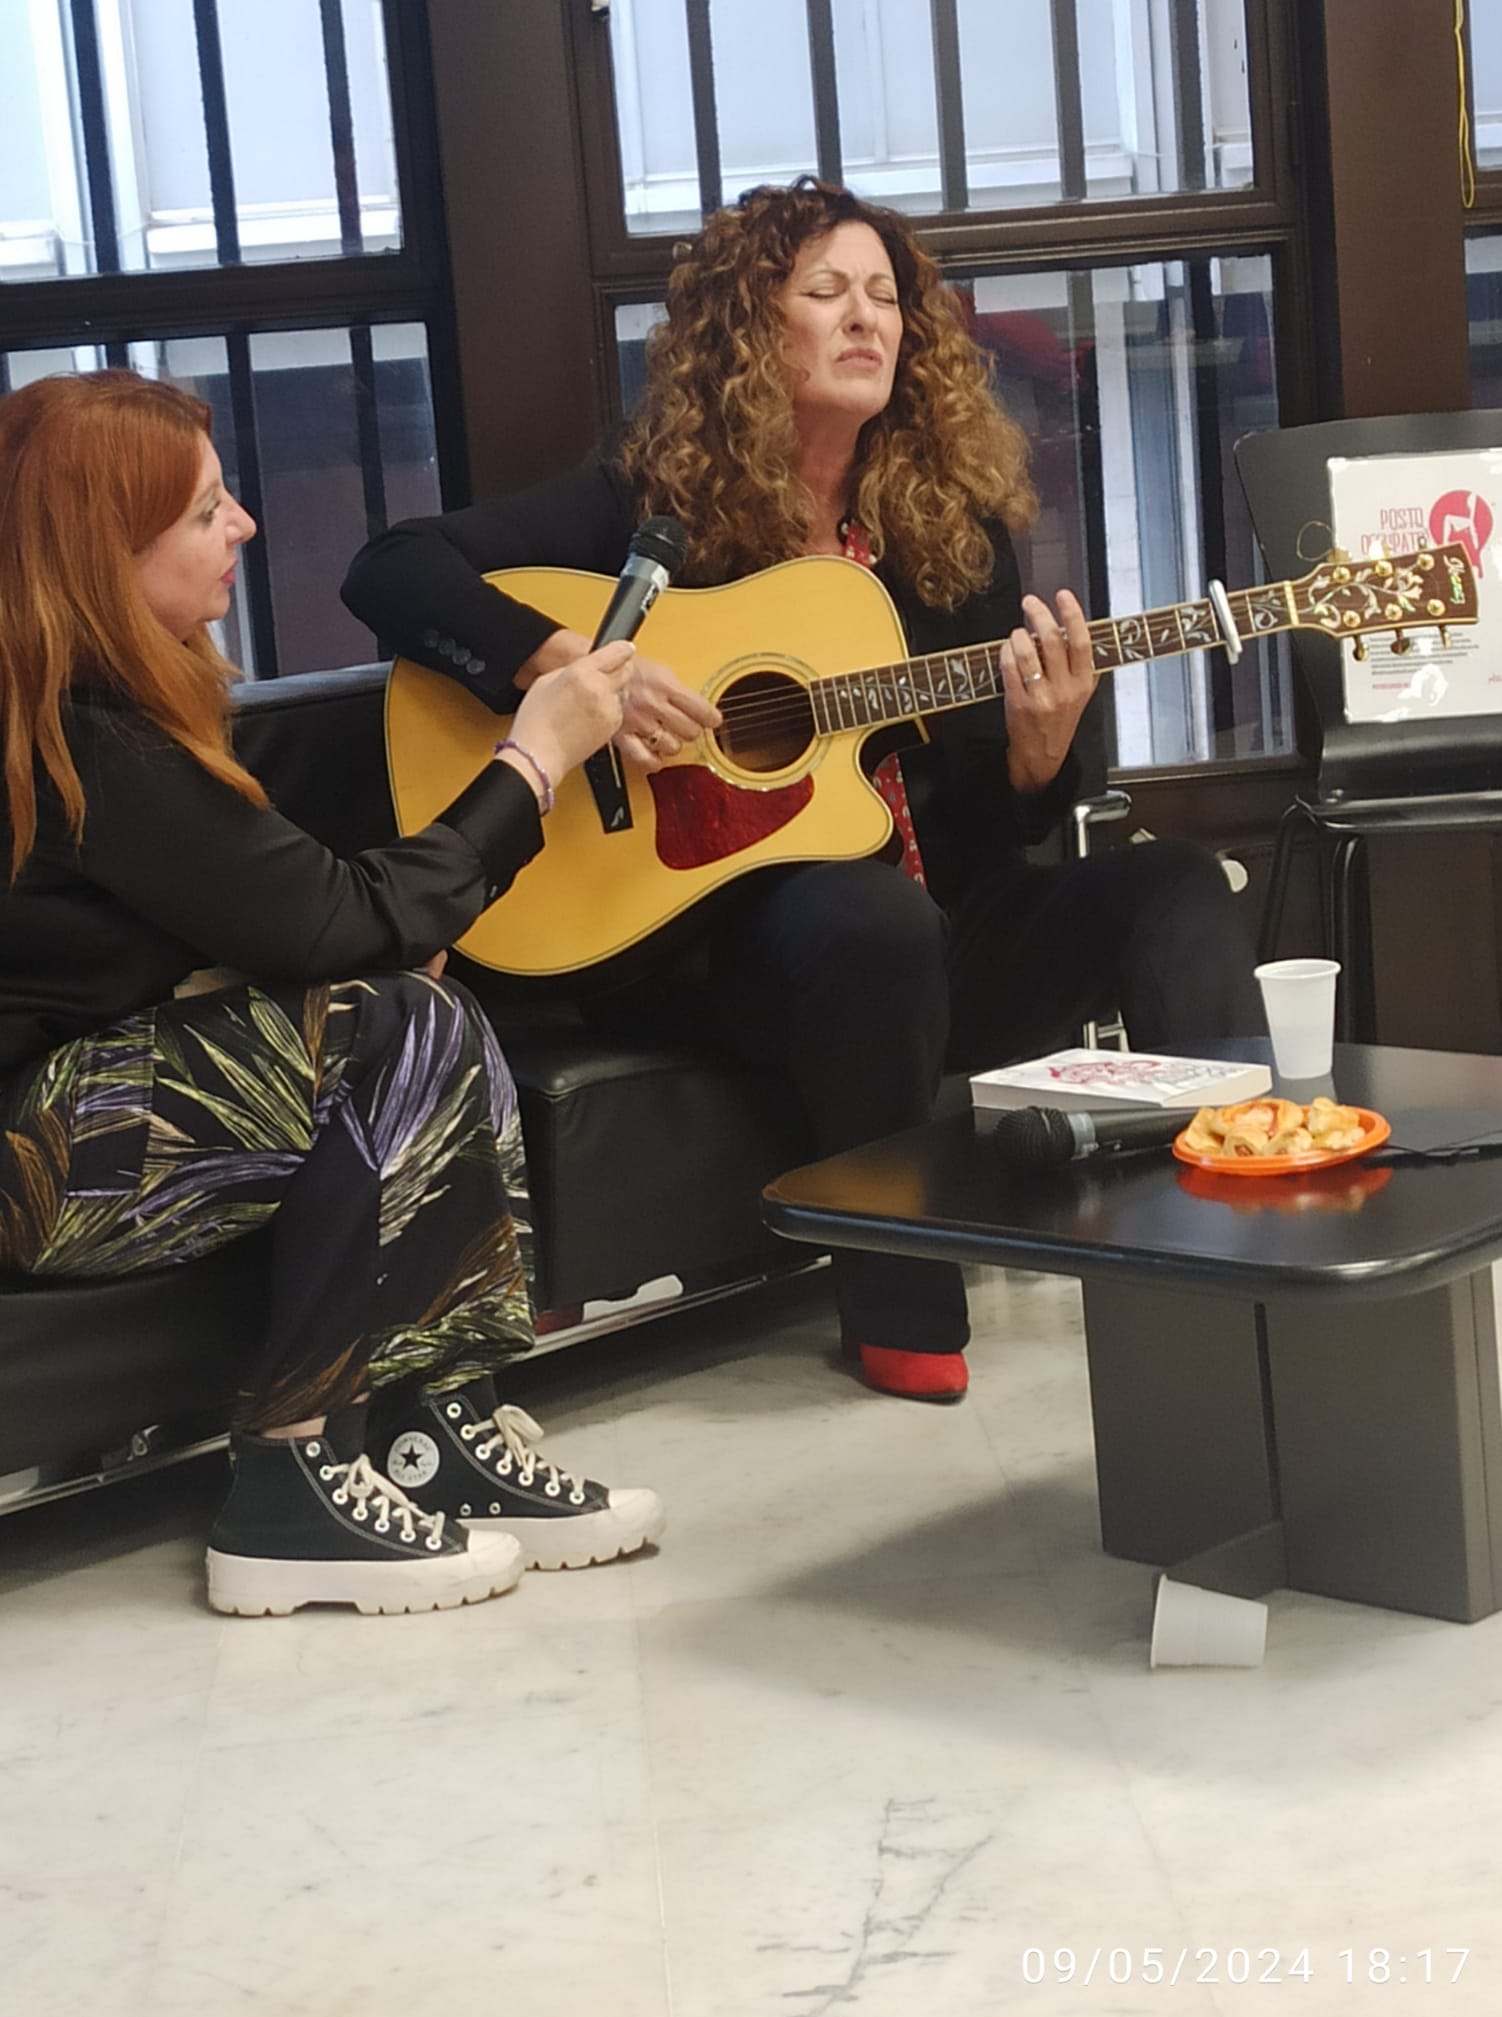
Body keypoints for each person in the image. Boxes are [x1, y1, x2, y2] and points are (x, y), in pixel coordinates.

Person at [342, 177, 1262, 1404]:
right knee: (869, 916)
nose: (865, 317)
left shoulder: (952, 537)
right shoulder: (646, 504)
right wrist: (568, 663)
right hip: (712, 952)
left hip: (921, 945)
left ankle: (1257, 1219)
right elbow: (391, 568)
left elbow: (983, 844)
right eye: (826, 291)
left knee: (1174, 884)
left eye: (884, 296)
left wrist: (1037, 759)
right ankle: (900, 1302)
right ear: (747, 328)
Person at [0, 369, 666, 1617]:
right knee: (393, 1018)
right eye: (206, 510)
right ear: (106, 552)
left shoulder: (104, 709)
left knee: (426, 1012)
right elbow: (336, 916)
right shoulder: (81, 732)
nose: (244, 524)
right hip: (33, 1155)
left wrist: (368, 947)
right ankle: (287, 1481)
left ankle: (432, 1428)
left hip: (86, 1108)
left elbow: (299, 919)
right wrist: (535, 757)